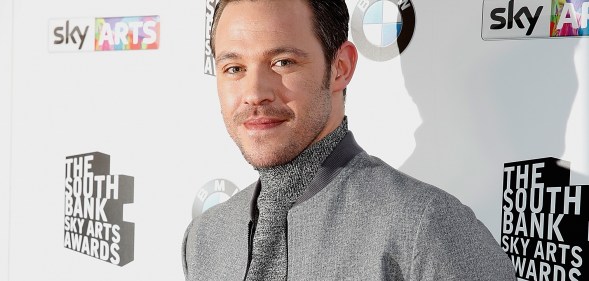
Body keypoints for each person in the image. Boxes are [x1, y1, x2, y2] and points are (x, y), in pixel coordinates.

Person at [182, 0, 516, 280]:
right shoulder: (204, 239)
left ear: (340, 67)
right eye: (234, 68)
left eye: (283, 62)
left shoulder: (422, 226)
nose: (254, 94)